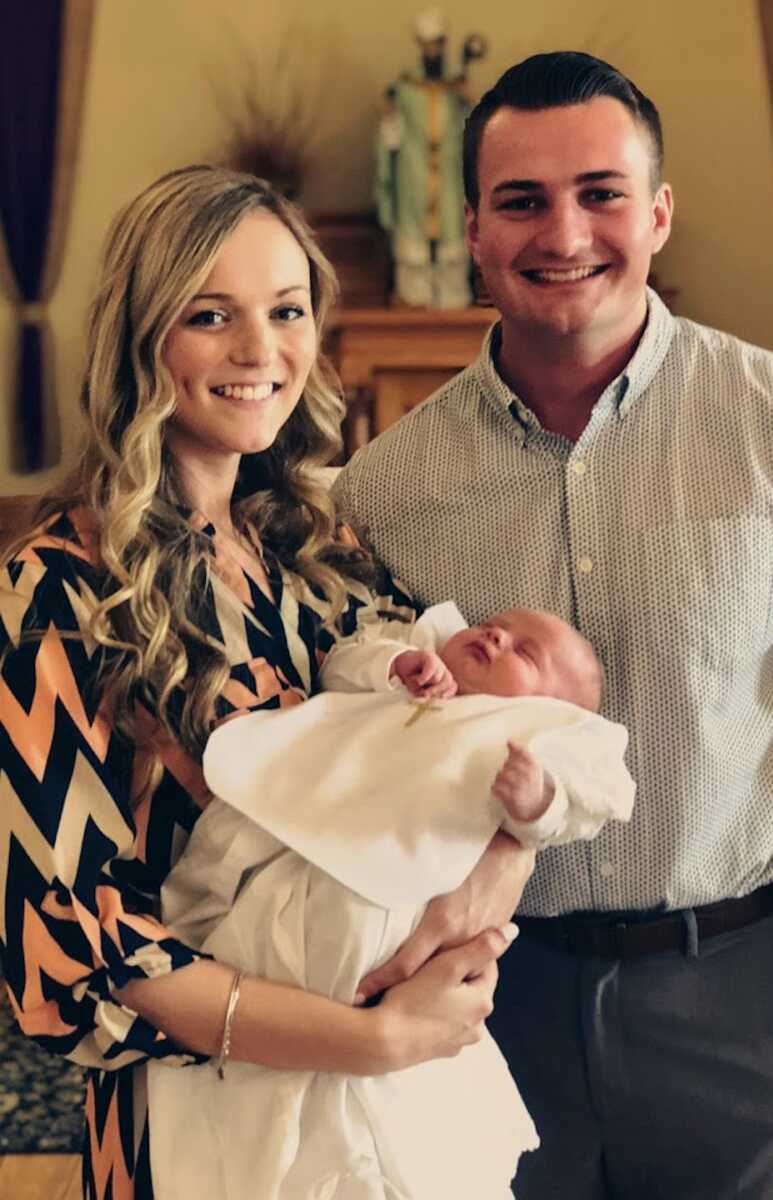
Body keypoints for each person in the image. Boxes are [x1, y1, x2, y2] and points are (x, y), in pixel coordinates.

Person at [333, 51, 773, 1200]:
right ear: (475, 231)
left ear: (658, 213)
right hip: (490, 1002)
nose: (566, 233)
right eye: (523, 201)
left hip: (743, 997)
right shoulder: (385, 489)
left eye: (600, 192)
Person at [0, 165, 523, 1200]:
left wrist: (482, 885)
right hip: (204, 1124)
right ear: (143, 338)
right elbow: (72, 948)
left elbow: (461, 746)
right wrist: (369, 1039)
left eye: (287, 311)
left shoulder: (320, 548)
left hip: (390, 1115)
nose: (260, 352)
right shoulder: (58, 587)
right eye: (210, 314)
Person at [146, 601, 634, 1199]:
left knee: (354, 952)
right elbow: (345, 662)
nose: (497, 635)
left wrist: (538, 803)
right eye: (494, 626)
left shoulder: (543, 735)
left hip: (396, 885)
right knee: (245, 896)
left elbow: (600, 795)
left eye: (525, 653)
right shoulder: (421, 649)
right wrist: (397, 664)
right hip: (303, 836)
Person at [374, 7, 476, 308]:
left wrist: (469, 103)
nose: (432, 51)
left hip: (450, 179)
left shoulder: (456, 91)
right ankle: (414, 296)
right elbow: (391, 140)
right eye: (426, 44)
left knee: (451, 242)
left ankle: (452, 296)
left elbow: (474, 132)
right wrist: (389, 122)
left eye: (438, 44)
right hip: (414, 175)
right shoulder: (405, 90)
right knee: (413, 249)